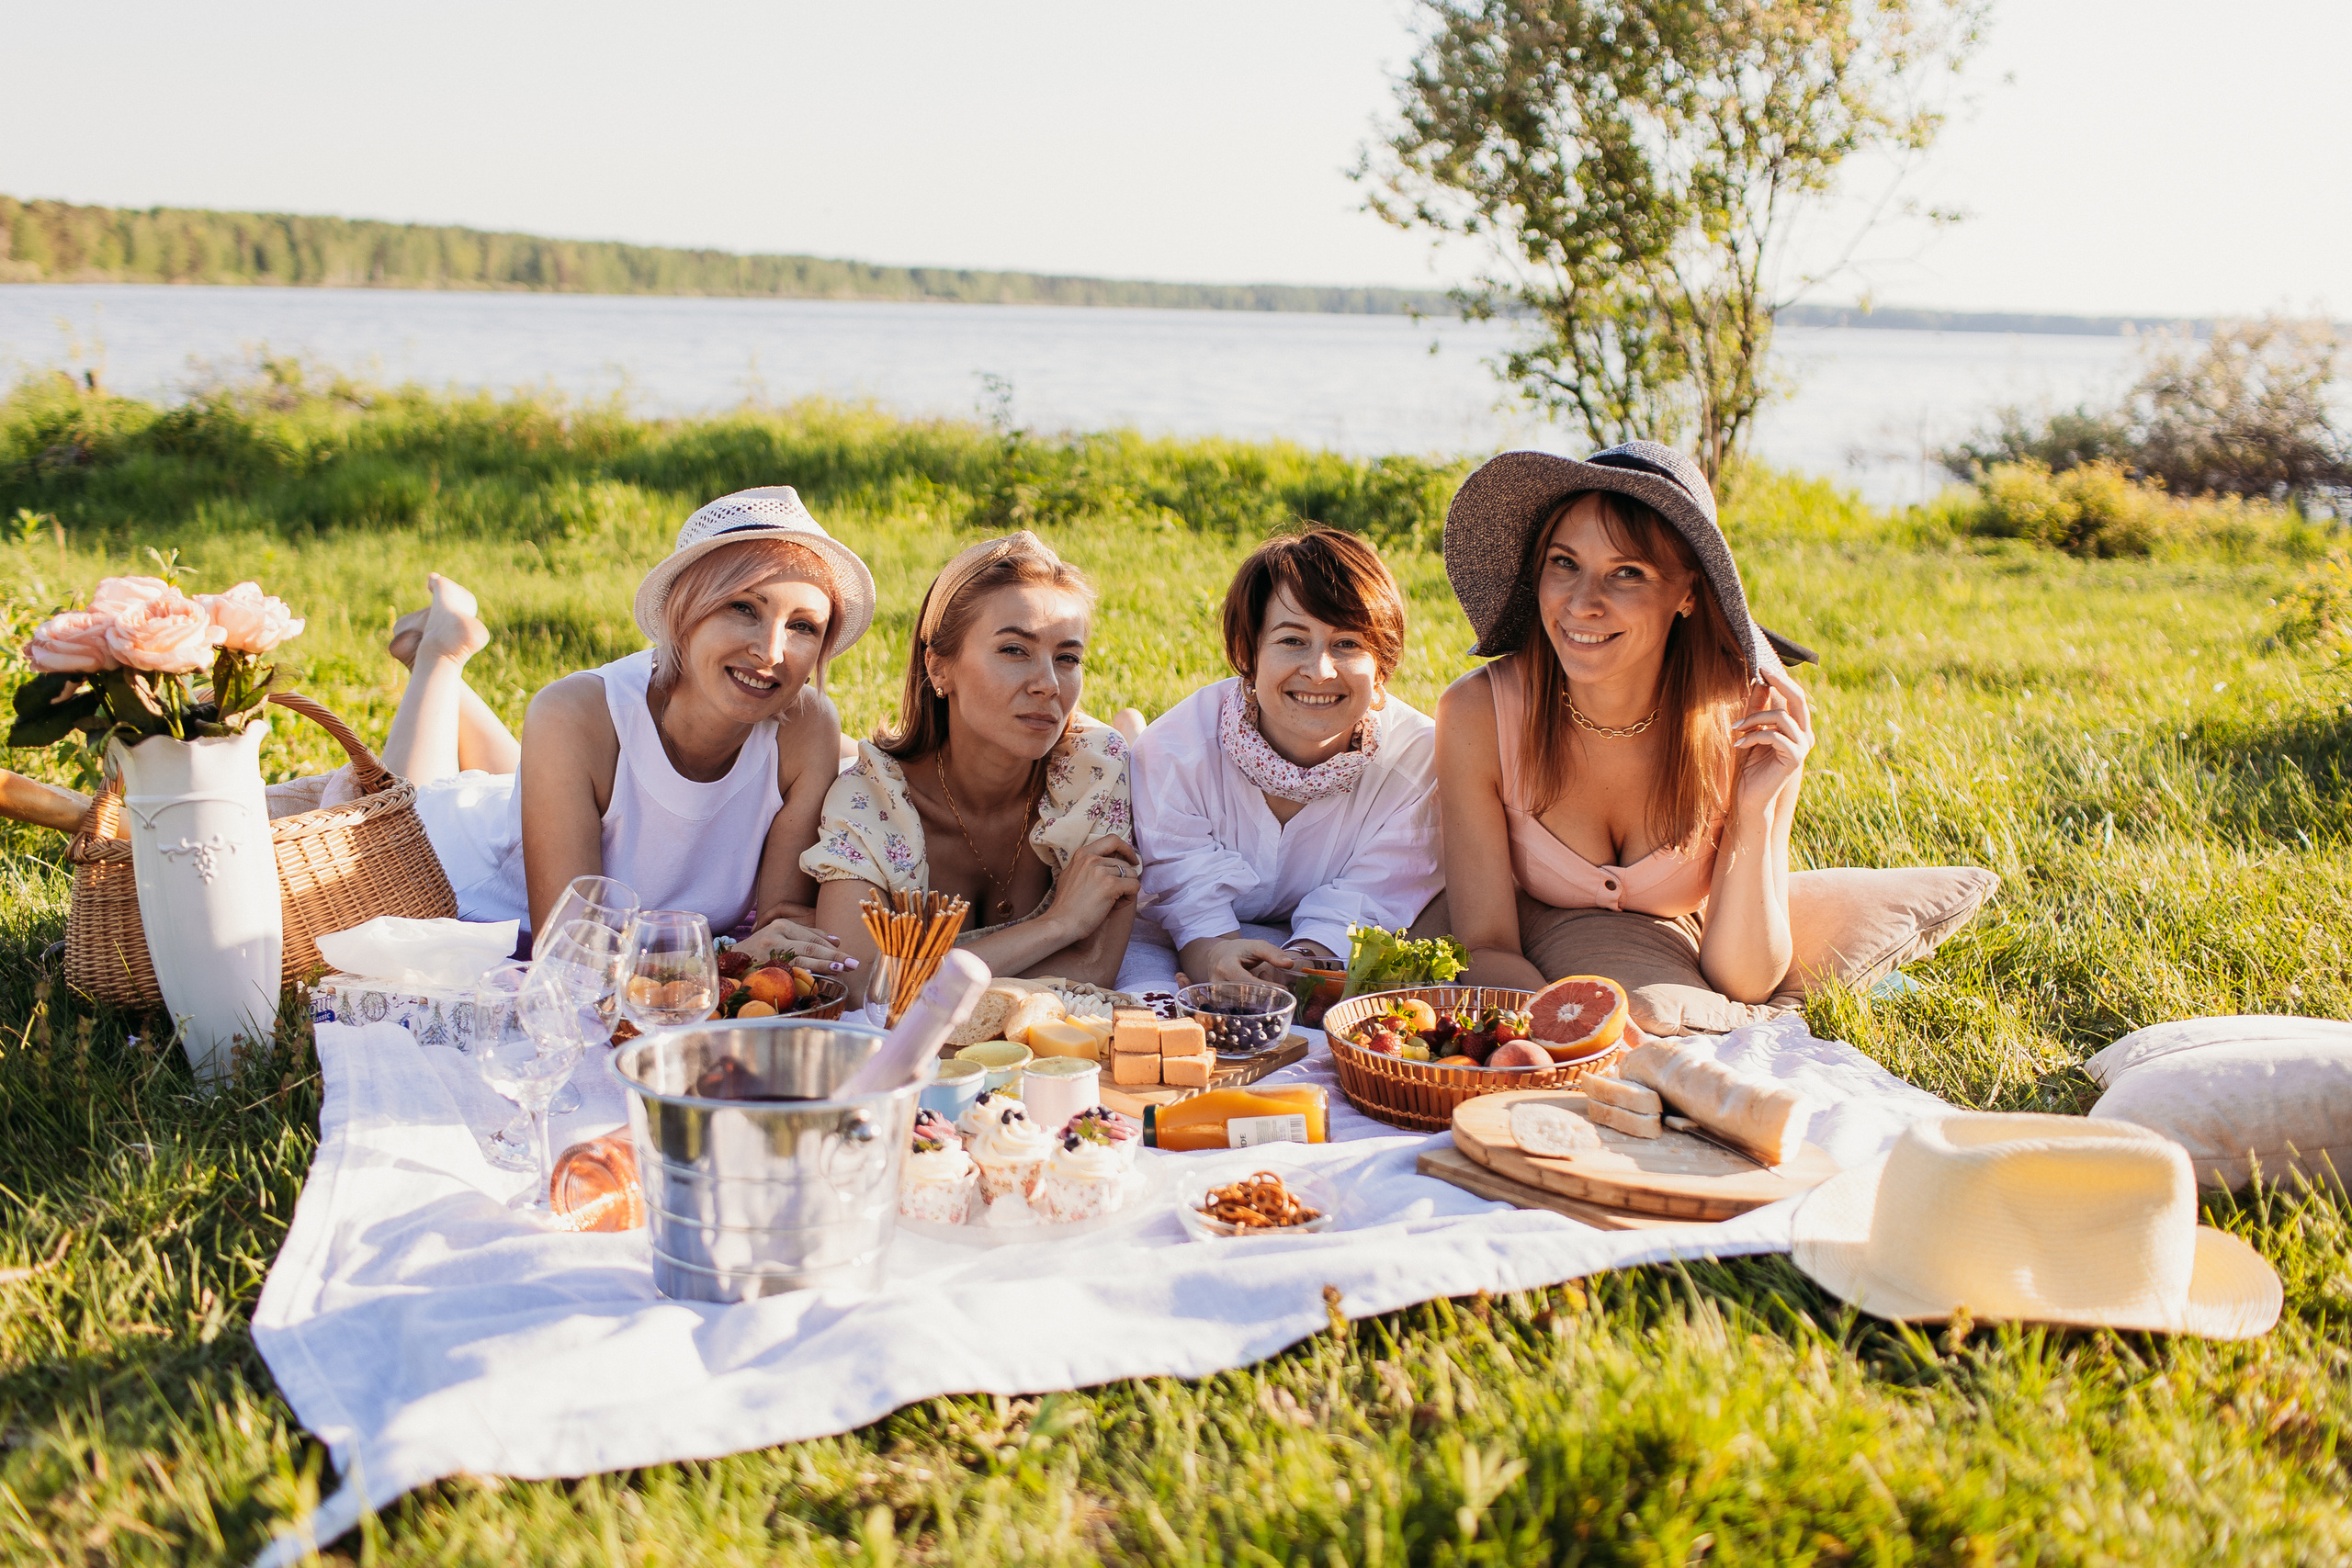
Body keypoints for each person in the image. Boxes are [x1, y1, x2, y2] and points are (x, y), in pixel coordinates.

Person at [378, 486, 870, 968]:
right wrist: (734, 959)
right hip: (472, 886)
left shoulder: (808, 728)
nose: (771, 652)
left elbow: (778, 923)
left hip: (590, 851)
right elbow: (573, 952)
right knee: (409, 803)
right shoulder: (574, 713)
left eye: (803, 626)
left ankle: (441, 661)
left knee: (534, 781)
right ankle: (438, 654)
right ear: (682, 614)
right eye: (743, 608)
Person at [1435, 441, 1817, 1005]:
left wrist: (1755, 810)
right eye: (1564, 563)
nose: (1582, 603)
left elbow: (1746, 980)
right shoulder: (1477, 714)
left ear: (1688, 592)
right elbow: (1486, 945)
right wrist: (1572, 1030)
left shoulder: (1751, 722)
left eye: (1627, 573)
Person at [802, 530, 1138, 995]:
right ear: (940, 668)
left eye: (1067, 657)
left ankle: (1135, 724)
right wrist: (1059, 925)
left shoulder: (1093, 772)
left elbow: (1096, 968)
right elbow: (864, 983)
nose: (1048, 684)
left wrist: (922, 977)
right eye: (1014, 650)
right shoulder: (869, 805)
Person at [1125, 527, 1439, 989]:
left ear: (1383, 666)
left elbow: (1370, 898)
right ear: (1249, 655)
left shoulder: (1421, 763)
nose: (1319, 671)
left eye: (1348, 643)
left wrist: (1294, 970)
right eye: (1292, 641)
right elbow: (1189, 898)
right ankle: (1127, 727)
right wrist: (1219, 957)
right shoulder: (1172, 752)